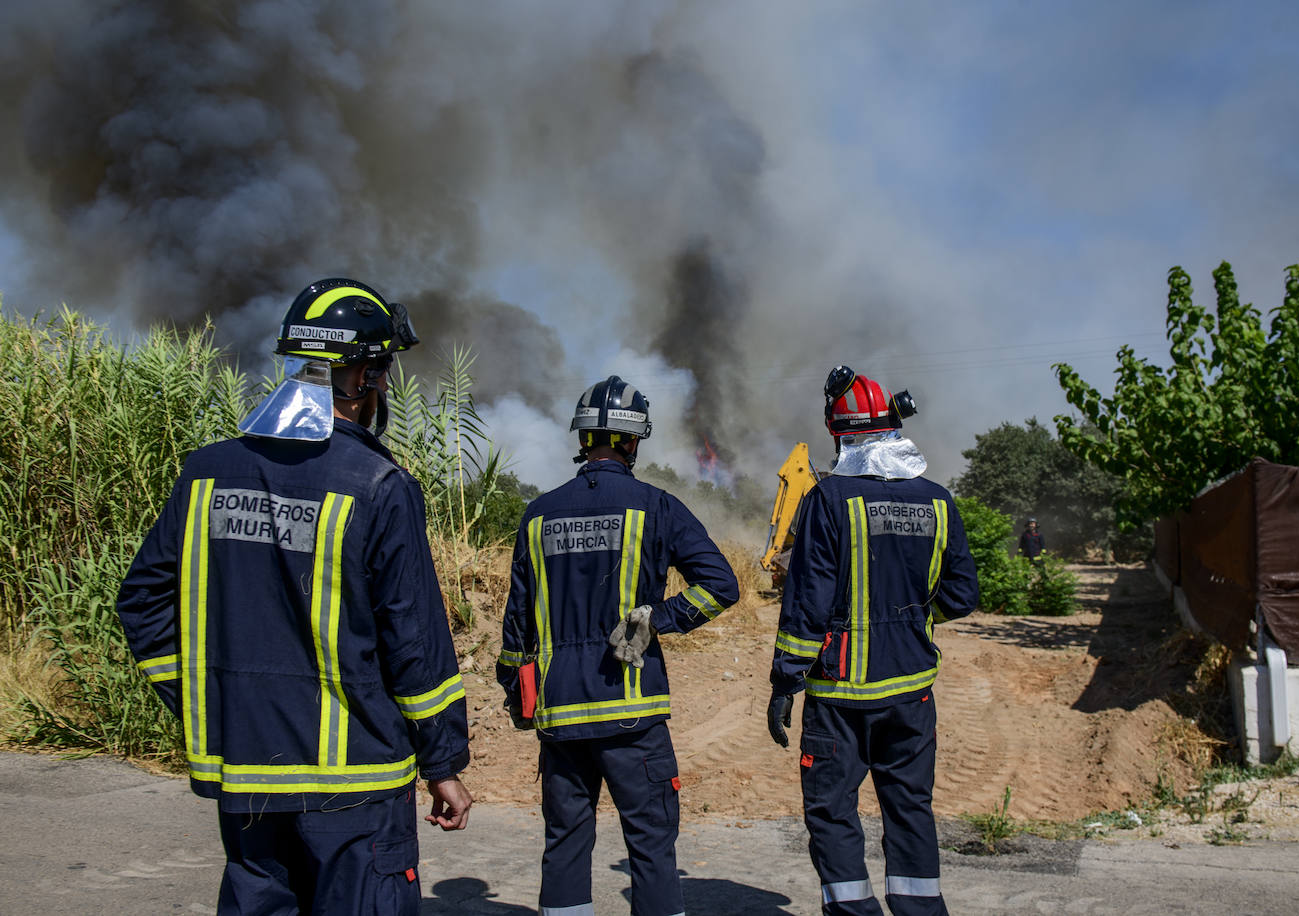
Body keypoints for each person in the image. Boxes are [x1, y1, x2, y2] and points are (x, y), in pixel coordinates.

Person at [117, 278, 473, 915]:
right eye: (383, 371)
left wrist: (211, 702)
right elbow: (414, 645)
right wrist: (442, 760)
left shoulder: (207, 471)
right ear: (358, 377)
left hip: (246, 773)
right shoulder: (378, 485)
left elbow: (142, 601)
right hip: (354, 785)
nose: (385, 387)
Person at [497, 375, 739, 916]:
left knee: (564, 844)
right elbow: (722, 586)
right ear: (634, 442)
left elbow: (517, 627)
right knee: (651, 847)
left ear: (584, 438)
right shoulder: (655, 505)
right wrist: (656, 620)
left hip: (561, 717)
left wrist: (517, 694)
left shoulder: (538, 515)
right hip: (633, 714)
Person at [766, 365, 978, 916]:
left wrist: (785, 683)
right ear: (893, 427)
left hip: (840, 697)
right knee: (910, 808)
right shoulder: (937, 500)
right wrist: (910, 621)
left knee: (833, 813)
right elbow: (961, 595)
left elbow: (806, 603)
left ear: (841, 436)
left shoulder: (828, 500)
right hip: (912, 693)